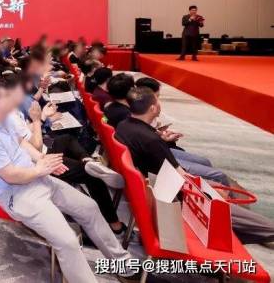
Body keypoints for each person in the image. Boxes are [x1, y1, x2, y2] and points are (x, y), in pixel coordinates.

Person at [0, 81, 138, 283]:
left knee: (89, 208)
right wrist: (39, 169)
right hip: (17, 194)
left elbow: (21, 142)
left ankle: (123, 264)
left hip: (36, 178)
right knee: (67, 242)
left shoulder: (3, 118)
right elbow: (10, 175)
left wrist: (42, 159)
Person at [116, 87, 274, 245]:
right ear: (153, 108)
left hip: (157, 186)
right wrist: (209, 192)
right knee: (252, 218)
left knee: (219, 187)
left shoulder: (124, 126)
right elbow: (182, 178)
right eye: (158, 101)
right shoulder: (152, 140)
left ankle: (248, 227)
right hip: (175, 196)